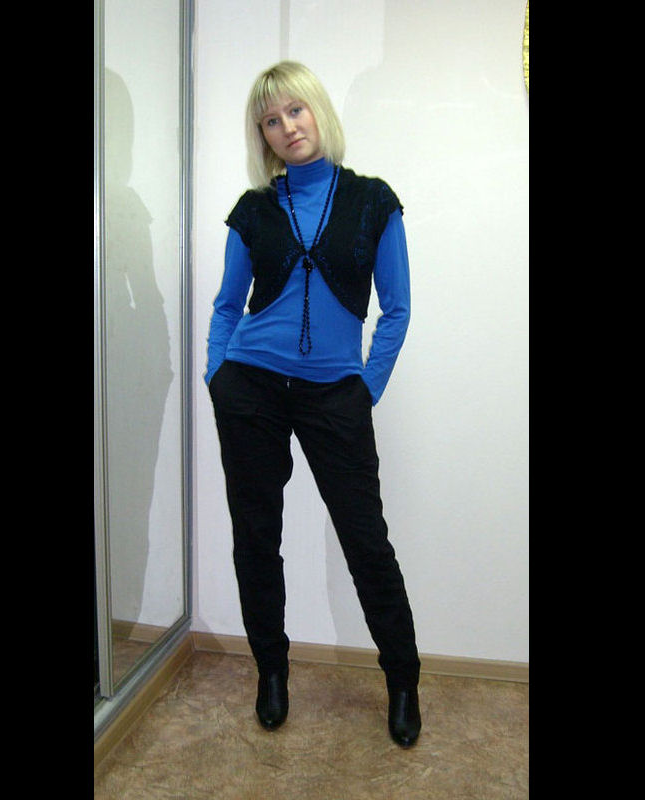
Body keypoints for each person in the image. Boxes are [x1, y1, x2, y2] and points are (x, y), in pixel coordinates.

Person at [205, 60, 421, 748]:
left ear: (318, 111)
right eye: (271, 120)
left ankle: (404, 679)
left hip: (335, 396)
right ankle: (272, 672)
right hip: (251, 390)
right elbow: (226, 306)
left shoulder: (373, 202)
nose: (287, 127)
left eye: (295, 110)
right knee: (255, 538)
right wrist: (217, 377)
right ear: (264, 136)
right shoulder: (252, 210)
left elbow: (397, 310)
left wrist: (365, 388)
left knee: (366, 541)